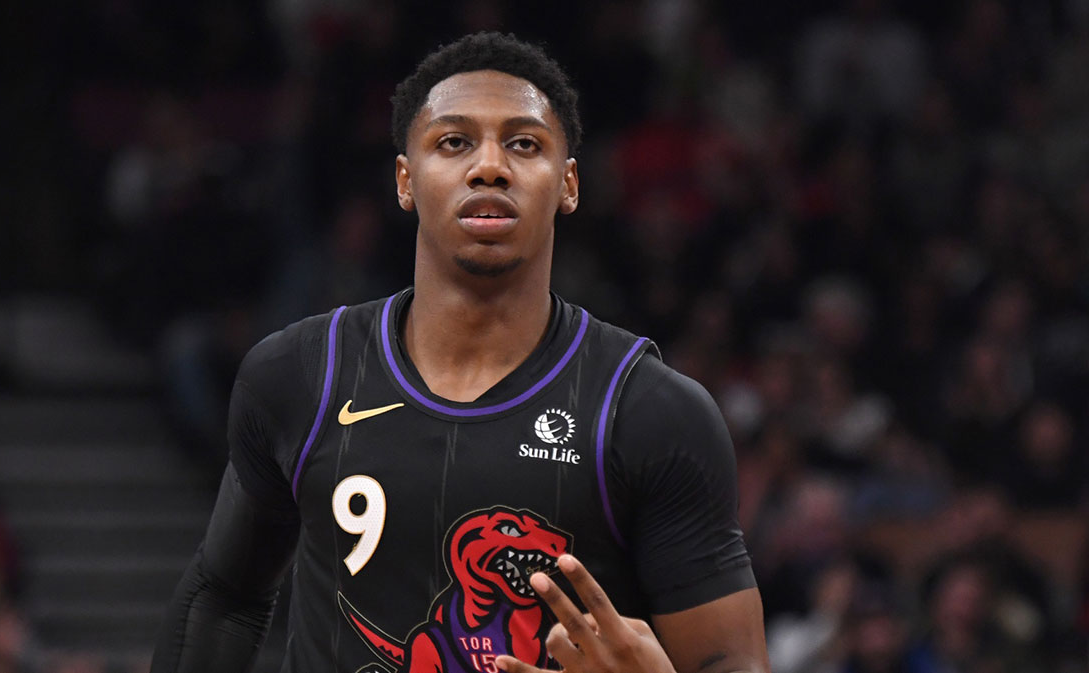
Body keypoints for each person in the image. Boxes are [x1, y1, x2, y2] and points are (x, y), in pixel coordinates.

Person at [151, 32, 769, 673]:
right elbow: (223, 598)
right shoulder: (299, 374)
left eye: (524, 144)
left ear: (569, 184)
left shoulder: (652, 411)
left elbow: (734, 661)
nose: (490, 166)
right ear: (404, 180)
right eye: (454, 141)